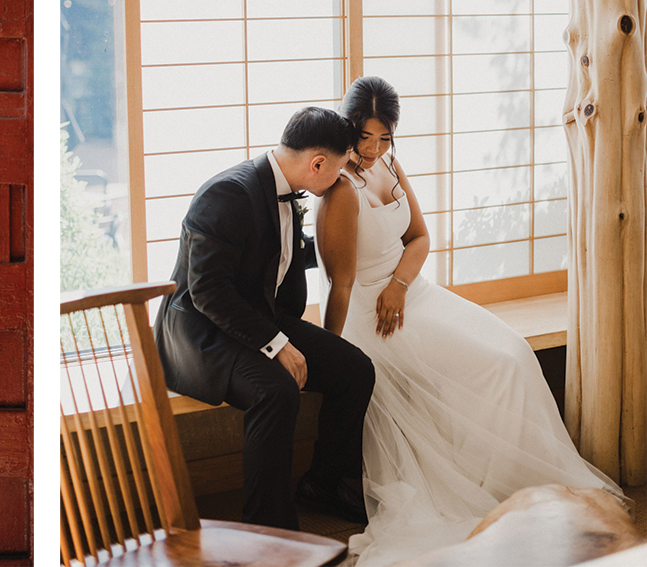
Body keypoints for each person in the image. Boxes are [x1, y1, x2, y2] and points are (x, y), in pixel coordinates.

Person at [317, 75, 623, 567]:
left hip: (409, 291)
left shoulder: (390, 165)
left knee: (513, 353)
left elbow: (419, 237)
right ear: (347, 127)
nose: (373, 148)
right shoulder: (339, 191)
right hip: (370, 316)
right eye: (364, 135)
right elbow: (341, 284)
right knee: (490, 367)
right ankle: (488, 489)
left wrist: (399, 284)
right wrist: (331, 351)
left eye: (384, 136)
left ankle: (518, 483)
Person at [154, 107, 376, 531]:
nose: (342, 179)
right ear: (318, 164)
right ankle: (269, 527)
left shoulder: (290, 190)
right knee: (275, 390)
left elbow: (281, 263)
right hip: (202, 333)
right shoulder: (226, 195)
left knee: (356, 369)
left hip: (256, 318)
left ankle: (322, 484)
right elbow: (208, 292)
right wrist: (277, 344)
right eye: (342, 168)